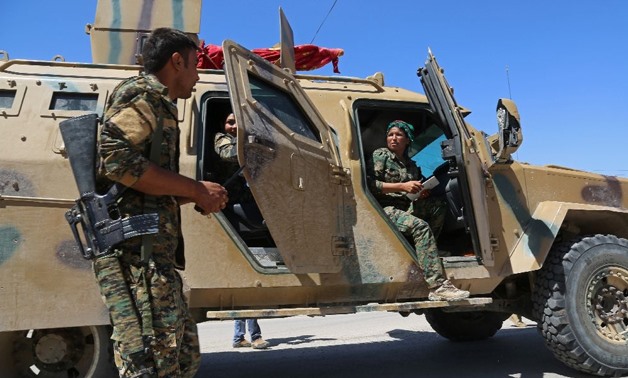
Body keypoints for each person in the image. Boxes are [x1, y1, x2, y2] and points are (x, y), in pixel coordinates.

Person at [96, 27, 228, 377]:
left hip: (156, 258)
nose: (199, 76)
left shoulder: (162, 104)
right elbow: (114, 160)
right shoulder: (144, 94)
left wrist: (192, 195)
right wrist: (196, 189)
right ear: (176, 61)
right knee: (153, 364)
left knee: (182, 360)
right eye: (195, 65)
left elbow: (138, 188)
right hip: (140, 261)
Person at [367, 120, 470, 301]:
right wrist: (403, 186)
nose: (393, 138)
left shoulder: (412, 165)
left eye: (398, 135)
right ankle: (437, 286)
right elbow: (371, 185)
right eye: (390, 135)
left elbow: (412, 190)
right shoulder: (380, 155)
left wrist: (420, 192)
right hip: (384, 210)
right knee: (420, 227)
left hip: (406, 206)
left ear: (408, 140)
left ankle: (427, 255)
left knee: (438, 205)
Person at [214, 113, 270, 350]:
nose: (234, 126)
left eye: (238, 122)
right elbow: (229, 154)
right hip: (230, 213)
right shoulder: (222, 140)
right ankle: (253, 335)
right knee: (247, 280)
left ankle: (240, 336)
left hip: (245, 210)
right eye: (230, 122)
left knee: (245, 280)